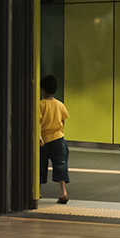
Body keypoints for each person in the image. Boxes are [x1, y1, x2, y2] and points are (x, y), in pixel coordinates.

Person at [39, 75, 70, 204]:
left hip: (43, 140)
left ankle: (38, 191)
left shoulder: (41, 105)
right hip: (58, 138)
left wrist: (40, 137)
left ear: (42, 90)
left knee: (40, 165)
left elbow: (38, 122)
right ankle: (63, 192)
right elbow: (63, 120)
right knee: (61, 164)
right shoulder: (60, 104)